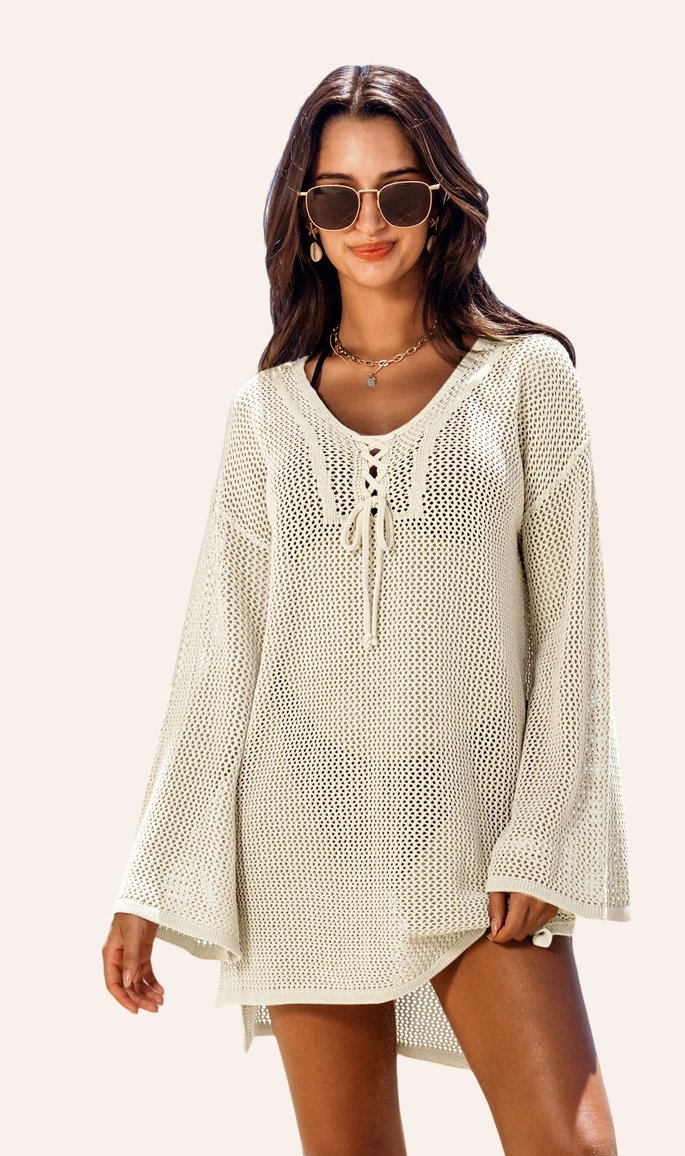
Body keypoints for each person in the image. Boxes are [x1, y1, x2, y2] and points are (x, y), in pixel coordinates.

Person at [103, 63, 631, 1156]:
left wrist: (538, 838)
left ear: (440, 202)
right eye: (339, 198)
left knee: (570, 1145)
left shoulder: (525, 382)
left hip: (476, 824)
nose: (370, 222)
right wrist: (147, 882)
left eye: (397, 191)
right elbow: (220, 658)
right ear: (306, 221)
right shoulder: (264, 416)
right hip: (304, 832)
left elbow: (572, 635)